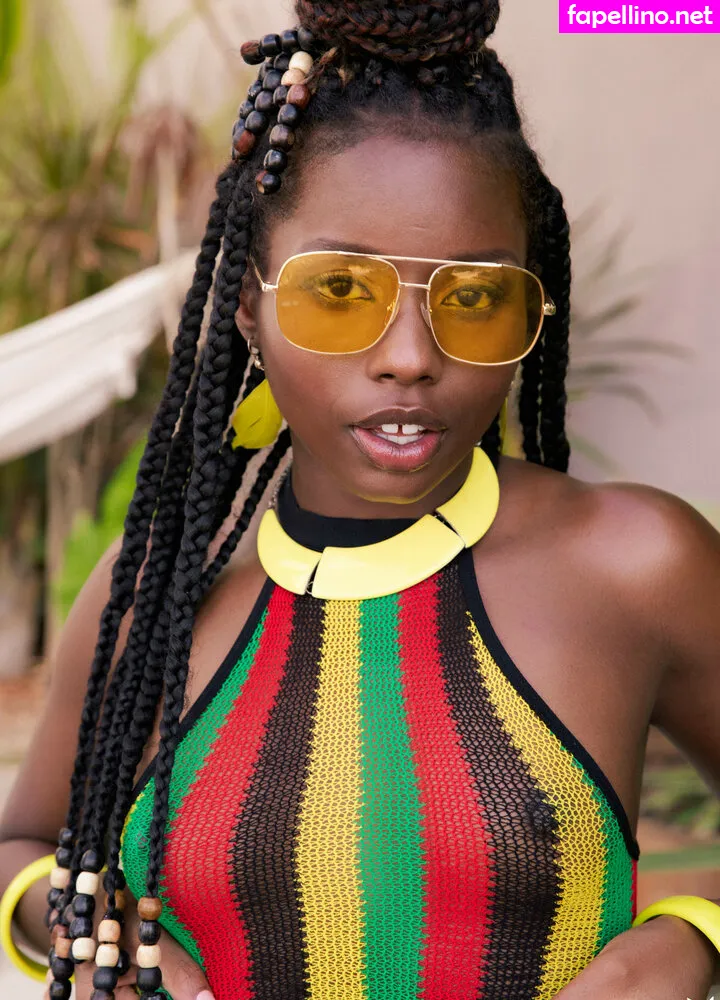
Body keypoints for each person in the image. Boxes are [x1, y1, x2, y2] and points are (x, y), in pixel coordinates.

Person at [1, 1, 720, 998]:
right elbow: (25, 841)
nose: (410, 358)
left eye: (475, 297)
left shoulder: (637, 567)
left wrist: (692, 936)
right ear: (248, 305)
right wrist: (92, 932)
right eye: (340, 291)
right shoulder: (157, 594)